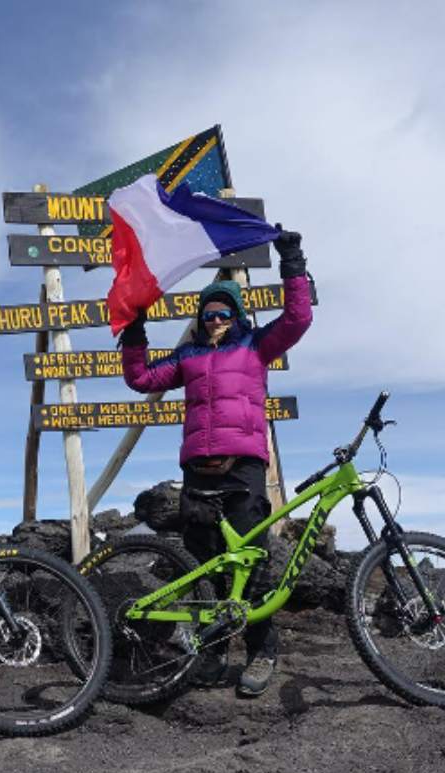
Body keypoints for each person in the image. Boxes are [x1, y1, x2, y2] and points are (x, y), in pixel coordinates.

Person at [118, 228, 313, 697]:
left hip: (243, 469)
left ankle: (262, 651)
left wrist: (292, 261)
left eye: (224, 312)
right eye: (208, 314)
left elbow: (297, 318)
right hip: (197, 473)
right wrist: (135, 330)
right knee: (204, 565)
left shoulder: (255, 347)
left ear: (238, 315)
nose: (216, 320)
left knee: (253, 563)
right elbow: (140, 378)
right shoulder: (187, 358)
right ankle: (212, 651)